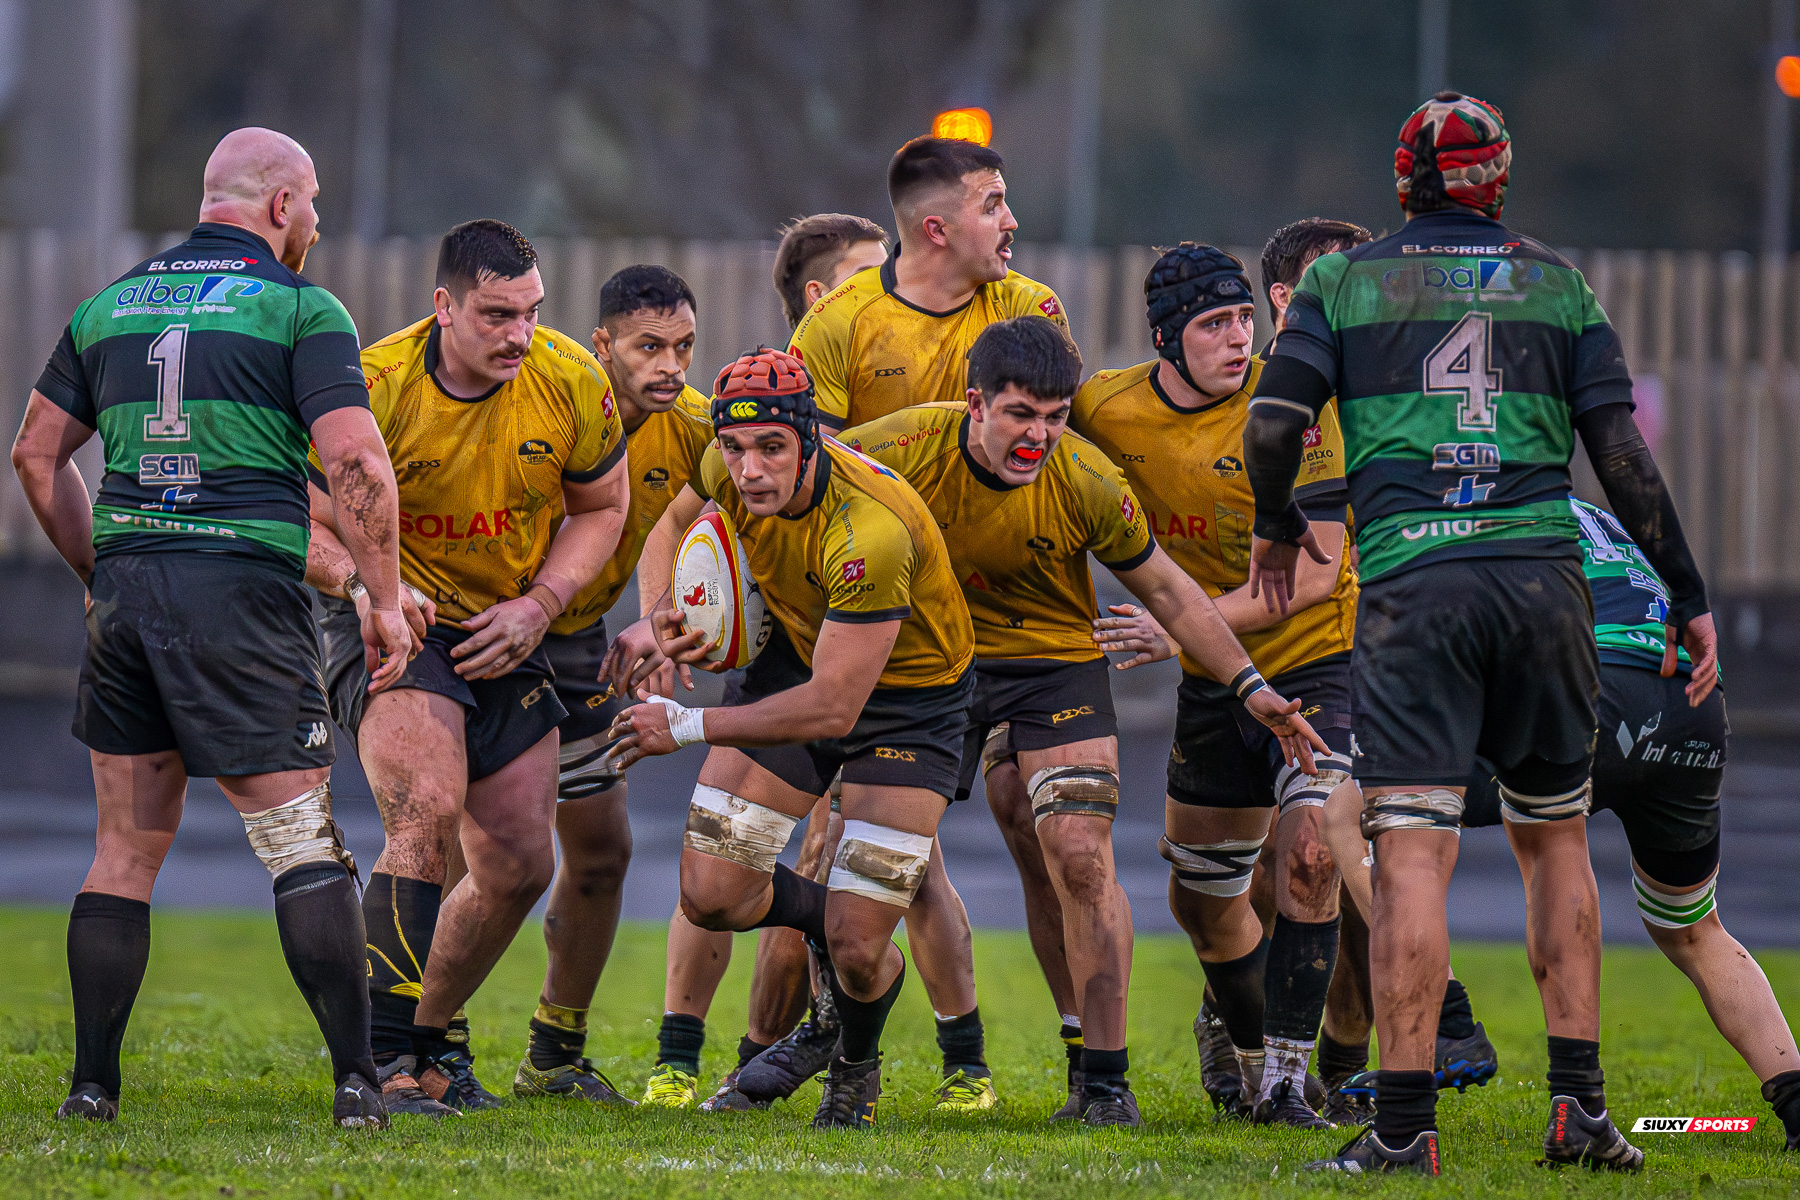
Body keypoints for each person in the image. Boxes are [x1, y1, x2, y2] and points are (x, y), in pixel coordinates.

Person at [1246, 91, 1716, 1174]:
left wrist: (1279, 526)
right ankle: (1580, 1113)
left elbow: (1275, 421)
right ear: (1498, 181)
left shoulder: (1342, 279)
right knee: (1556, 839)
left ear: (1402, 179)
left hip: (1418, 581)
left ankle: (1406, 1127)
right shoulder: (1554, 281)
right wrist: (1685, 595)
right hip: (1546, 583)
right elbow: (1625, 457)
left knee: (1412, 849)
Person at [11, 127, 414, 1128]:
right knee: (299, 839)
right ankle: (359, 1084)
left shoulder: (107, 305)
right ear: (280, 205)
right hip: (241, 596)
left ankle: (92, 1086)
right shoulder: (298, 308)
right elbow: (357, 468)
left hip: (133, 592)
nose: (316, 223)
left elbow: (34, 456)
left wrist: (103, 572)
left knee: (123, 852)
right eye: (313, 203)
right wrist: (388, 597)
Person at [844, 316, 1330, 1127]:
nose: (1040, 434)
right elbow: (782, 476)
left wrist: (1250, 687)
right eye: (1020, 414)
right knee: (870, 868)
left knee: (1078, 854)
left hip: (1052, 668)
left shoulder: (1089, 479)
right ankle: (839, 1049)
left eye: (1057, 416)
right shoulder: (895, 451)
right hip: (935, 667)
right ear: (974, 404)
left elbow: (1171, 593)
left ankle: (1105, 1083)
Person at [663, 218, 996, 1116]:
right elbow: (671, 528)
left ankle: (848, 1053)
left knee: (857, 945)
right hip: (805, 661)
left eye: (772, 447)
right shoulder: (727, 466)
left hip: (910, 707)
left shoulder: (868, 530)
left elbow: (836, 706)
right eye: (737, 449)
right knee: (711, 891)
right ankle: (844, 945)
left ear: (810, 436)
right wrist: (661, 610)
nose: (752, 468)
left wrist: (688, 724)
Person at [308, 219, 630, 1116]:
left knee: (523, 860)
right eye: (496, 315)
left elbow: (603, 505)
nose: (518, 335)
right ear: (443, 306)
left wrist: (543, 604)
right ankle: (377, 1069)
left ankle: (426, 1042)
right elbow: (293, 505)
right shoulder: (370, 384)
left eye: (530, 313)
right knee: (425, 812)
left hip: (508, 627)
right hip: (392, 623)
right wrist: (374, 586)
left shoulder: (571, 381)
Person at [1070, 242, 1359, 1129]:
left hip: (1314, 662)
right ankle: (1241, 1042)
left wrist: (1176, 626)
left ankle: (1287, 1079)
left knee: (1313, 855)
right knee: (1202, 898)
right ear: (1165, 338)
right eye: (1214, 325)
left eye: (1245, 319)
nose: (1240, 339)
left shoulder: (1298, 400)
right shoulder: (1103, 411)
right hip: (1213, 683)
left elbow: (1313, 576)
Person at [499, 265, 715, 1106]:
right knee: (462, 846)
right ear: (601, 347)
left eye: (684, 347)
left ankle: (554, 1056)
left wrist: (661, 619)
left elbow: (731, 539)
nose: (671, 365)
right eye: (649, 346)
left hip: (580, 645)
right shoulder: (541, 403)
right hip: (484, 634)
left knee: (601, 851)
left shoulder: (697, 429)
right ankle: (408, 1041)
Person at [788, 136, 1067, 431]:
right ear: (936, 230)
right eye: (991, 207)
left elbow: (1052, 442)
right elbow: (811, 462)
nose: (1011, 221)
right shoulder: (835, 322)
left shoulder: (1030, 307)